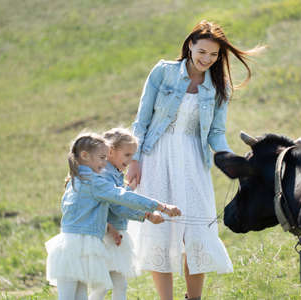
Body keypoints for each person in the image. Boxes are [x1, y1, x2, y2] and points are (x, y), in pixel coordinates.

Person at [126, 20, 264, 300]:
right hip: (156, 157)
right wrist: (135, 159)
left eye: (213, 55)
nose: (206, 59)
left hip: (192, 161)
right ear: (190, 45)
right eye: (202, 52)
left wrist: (230, 160)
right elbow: (141, 122)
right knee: (160, 230)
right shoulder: (163, 72)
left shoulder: (218, 86)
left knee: (197, 232)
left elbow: (215, 133)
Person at [45, 132, 180, 300]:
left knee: (76, 296)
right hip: (79, 246)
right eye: (102, 157)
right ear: (85, 156)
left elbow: (83, 215)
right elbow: (122, 197)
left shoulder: (76, 179)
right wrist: (161, 206)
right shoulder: (94, 182)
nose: (105, 162)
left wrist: (109, 227)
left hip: (73, 244)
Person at [90, 127, 167, 300]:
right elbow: (118, 205)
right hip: (106, 235)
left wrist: (128, 189)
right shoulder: (105, 174)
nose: (131, 159)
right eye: (127, 155)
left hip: (116, 235)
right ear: (110, 151)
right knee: (102, 285)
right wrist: (146, 214)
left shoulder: (115, 173)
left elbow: (120, 196)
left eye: (133, 155)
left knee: (120, 284)